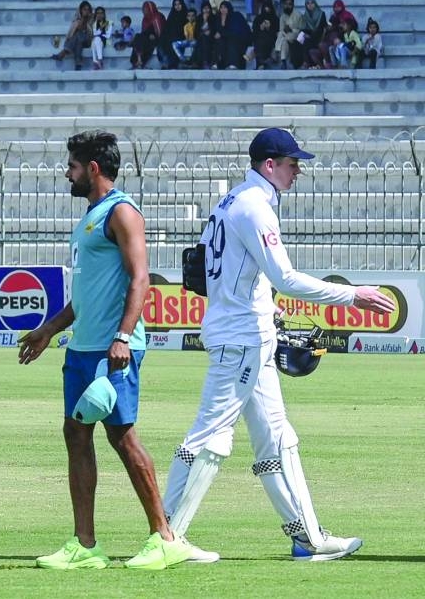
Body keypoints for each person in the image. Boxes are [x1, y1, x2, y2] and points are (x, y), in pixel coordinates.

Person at [162, 128, 397, 562]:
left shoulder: (234, 199)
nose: (297, 170)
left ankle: (308, 538)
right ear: (269, 165)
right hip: (240, 338)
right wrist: (353, 294)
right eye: (292, 163)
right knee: (210, 437)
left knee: (278, 439)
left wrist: (264, 305)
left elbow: (223, 271)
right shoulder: (254, 207)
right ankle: (165, 535)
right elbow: (285, 277)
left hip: (248, 331)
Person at [17, 131, 215, 571]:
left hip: (113, 349)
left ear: (92, 168)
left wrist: (124, 336)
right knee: (76, 434)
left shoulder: (122, 212)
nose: (66, 172)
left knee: (122, 437)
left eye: (72, 165)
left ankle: (165, 537)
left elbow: (140, 278)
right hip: (82, 348)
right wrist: (48, 330)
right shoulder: (91, 217)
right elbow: (86, 294)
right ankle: (85, 546)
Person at [53, 0, 94, 70]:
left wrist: (86, 18)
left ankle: (63, 52)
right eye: (84, 9)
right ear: (80, 10)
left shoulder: (92, 18)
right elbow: (76, 29)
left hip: (88, 41)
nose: (86, 11)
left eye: (88, 9)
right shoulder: (77, 19)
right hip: (78, 41)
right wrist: (83, 18)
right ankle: (78, 64)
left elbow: (87, 31)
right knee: (78, 39)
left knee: (78, 36)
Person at [212, 1, 251, 69]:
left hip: (240, 39)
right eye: (221, 8)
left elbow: (235, 32)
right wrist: (222, 22)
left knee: (231, 42)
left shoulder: (235, 15)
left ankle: (233, 64)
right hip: (227, 39)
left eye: (225, 7)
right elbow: (218, 32)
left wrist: (222, 33)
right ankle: (217, 64)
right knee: (219, 42)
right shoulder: (219, 18)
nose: (223, 9)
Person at [291, 0, 326, 69]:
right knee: (296, 43)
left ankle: (306, 63)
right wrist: (303, 35)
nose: (310, 5)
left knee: (306, 42)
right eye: (308, 3)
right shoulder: (305, 16)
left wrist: (310, 35)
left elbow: (321, 28)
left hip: (317, 37)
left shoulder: (321, 14)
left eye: (312, 3)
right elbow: (303, 28)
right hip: (307, 35)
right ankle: (296, 65)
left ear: (315, 4)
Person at [130, 0, 165, 69]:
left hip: (159, 38)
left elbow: (160, 32)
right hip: (147, 38)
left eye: (145, 9)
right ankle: (138, 60)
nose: (143, 11)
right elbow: (144, 31)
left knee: (140, 39)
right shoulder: (145, 18)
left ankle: (139, 61)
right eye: (143, 9)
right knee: (138, 37)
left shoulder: (157, 17)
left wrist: (153, 36)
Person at [158, 0, 189, 69]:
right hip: (171, 37)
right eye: (175, 5)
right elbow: (166, 29)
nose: (177, 6)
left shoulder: (186, 15)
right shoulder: (172, 15)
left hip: (182, 37)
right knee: (162, 41)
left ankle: (172, 64)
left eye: (179, 4)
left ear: (182, 5)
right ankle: (165, 63)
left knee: (173, 42)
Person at [274, 0, 303, 68]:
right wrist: (285, 31)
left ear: (292, 5)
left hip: (296, 35)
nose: (287, 6)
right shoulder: (283, 16)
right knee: (283, 40)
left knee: (284, 37)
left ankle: (276, 51)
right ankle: (283, 62)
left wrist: (291, 29)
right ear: (283, 5)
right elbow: (281, 30)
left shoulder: (298, 15)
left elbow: (301, 29)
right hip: (286, 36)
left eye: (289, 4)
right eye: (286, 4)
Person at [252, 2, 280, 69]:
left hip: (272, 39)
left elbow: (277, 31)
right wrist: (260, 28)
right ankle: (261, 63)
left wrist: (269, 28)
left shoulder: (275, 19)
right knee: (260, 42)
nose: (266, 10)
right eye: (265, 8)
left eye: (268, 8)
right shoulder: (258, 19)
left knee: (264, 41)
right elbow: (254, 33)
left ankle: (262, 63)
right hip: (259, 40)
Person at [89, 6, 111, 70]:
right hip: (96, 42)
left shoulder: (108, 23)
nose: (99, 15)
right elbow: (93, 34)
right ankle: (97, 62)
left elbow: (108, 35)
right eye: (98, 13)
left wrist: (99, 33)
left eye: (101, 13)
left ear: (104, 14)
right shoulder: (94, 24)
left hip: (105, 41)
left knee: (97, 39)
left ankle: (98, 60)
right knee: (94, 42)